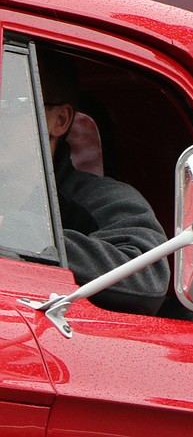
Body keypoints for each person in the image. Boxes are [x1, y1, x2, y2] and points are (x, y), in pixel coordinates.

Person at [38, 49, 171, 316]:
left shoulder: (99, 199)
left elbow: (146, 275)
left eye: (8, 103)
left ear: (59, 120)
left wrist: (25, 236)